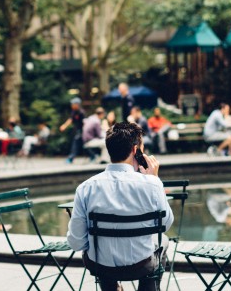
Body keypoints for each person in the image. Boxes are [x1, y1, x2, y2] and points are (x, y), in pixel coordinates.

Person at [67, 122, 173, 291]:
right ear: (135, 151)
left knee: (99, 250)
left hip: (101, 266)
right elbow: (165, 225)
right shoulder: (152, 184)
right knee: (163, 242)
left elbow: (76, 242)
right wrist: (154, 179)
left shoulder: (86, 188)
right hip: (142, 265)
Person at [59, 97, 86, 164]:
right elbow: (71, 119)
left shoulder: (81, 112)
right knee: (79, 144)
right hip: (76, 131)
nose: (71, 105)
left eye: (72, 104)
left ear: (77, 104)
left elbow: (85, 122)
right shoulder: (74, 112)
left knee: (76, 144)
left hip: (81, 131)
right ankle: (93, 155)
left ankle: (70, 158)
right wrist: (64, 126)